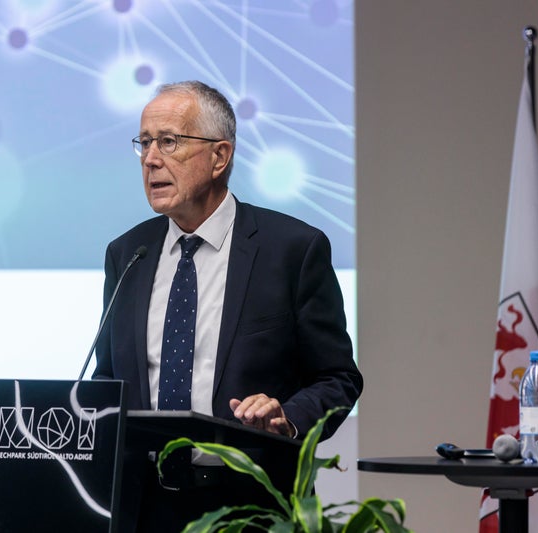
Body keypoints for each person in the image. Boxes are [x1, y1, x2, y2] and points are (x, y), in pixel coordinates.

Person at [93, 80, 362, 532]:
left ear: (220, 156)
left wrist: (287, 418)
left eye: (169, 141)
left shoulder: (292, 250)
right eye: (144, 142)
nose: (150, 159)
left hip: (250, 509)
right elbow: (108, 378)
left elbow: (338, 378)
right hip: (141, 509)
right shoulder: (127, 254)